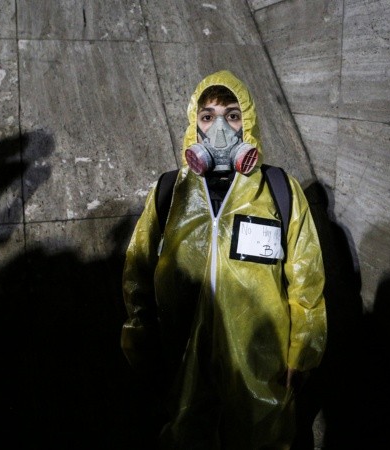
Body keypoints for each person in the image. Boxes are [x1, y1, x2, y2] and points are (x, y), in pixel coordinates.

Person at [121, 70, 327, 449]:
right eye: (208, 116)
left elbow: (306, 277)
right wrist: (142, 342)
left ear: (247, 123)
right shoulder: (170, 192)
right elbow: (138, 269)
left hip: (259, 365)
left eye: (232, 115)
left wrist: (303, 351)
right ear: (194, 127)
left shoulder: (279, 189)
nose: (220, 128)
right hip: (182, 359)